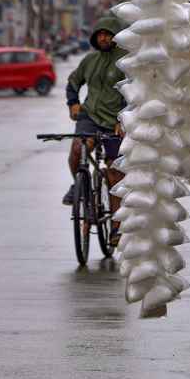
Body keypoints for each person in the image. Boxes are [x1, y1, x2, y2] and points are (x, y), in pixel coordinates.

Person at [63, 16, 126, 242]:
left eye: (107, 34)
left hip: (114, 121)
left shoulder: (125, 61)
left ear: (116, 37)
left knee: (114, 174)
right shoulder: (89, 60)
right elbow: (73, 82)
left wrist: (124, 118)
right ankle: (78, 186)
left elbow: (134, 92)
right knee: (77, 152)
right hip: (89, 116)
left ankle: (116, 228)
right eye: (99, 34)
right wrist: (73, 103)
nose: (103, 38)